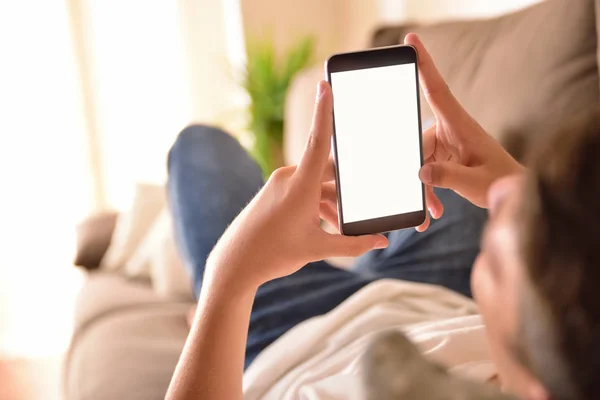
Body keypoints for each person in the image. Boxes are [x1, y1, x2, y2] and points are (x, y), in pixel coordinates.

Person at [165, 33, 600, 400]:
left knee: (200, 147)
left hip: (290, 329)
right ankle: (375, 257)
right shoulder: (560, 355)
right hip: (436, 292)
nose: (509, 191)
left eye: (515, 257)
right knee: (435, 167)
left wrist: (227, 284)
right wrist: (530, 195)